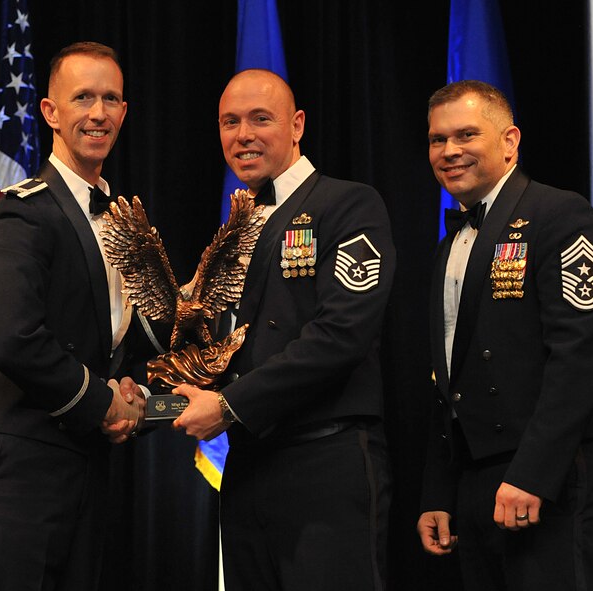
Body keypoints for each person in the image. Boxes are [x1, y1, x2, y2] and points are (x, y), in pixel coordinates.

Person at [173, 68, 396, 590]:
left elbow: (340, 335)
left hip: (326, 463)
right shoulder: (233, 230)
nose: (242, 134)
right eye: (230, 122)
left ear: (297, 125)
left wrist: (227, 406)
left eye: (260, 119)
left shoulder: (348, 204)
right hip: (249, 464)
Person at [0, 42, 164, 591]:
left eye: (111, 99)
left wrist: (134, 389)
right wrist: (103, 404)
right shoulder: (23, 213)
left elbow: (123, 337)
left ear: (124, 111)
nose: (98, 112)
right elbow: (14, 338)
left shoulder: (123, 215)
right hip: (24, 452)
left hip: (86, 453)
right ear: (50, 112)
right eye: (83, 98)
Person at [416, 79, 593, 590]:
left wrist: (533, 474)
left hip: (549, 476)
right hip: (474, 480)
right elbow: (446, 379)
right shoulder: (448, 246)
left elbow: (578, 358)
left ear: (510, 141)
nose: (450, 151)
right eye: (438, 140)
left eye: (466, 135)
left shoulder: (560, 216)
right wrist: (439, 490)